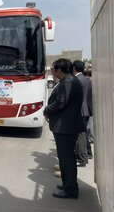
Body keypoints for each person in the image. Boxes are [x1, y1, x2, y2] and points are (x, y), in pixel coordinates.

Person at [43, 58, 85, 199]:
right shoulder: (69, 81)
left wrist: (47, 109)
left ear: (59, 70)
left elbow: (60, 102)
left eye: (53, 69)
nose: (52, 71)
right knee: (65, 158)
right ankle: (68, 184)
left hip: (65, 127)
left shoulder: (68, 82)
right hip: (65, 126)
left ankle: (70, 189)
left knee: (66, 159)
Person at [73, 60, 92, 166]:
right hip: (85, 109)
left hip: (79, 110)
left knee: (80, 135)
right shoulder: (86, 79)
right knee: (83, 135)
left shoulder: (77, 80)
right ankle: (85, 155)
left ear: (74, 68)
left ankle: (81, 159)